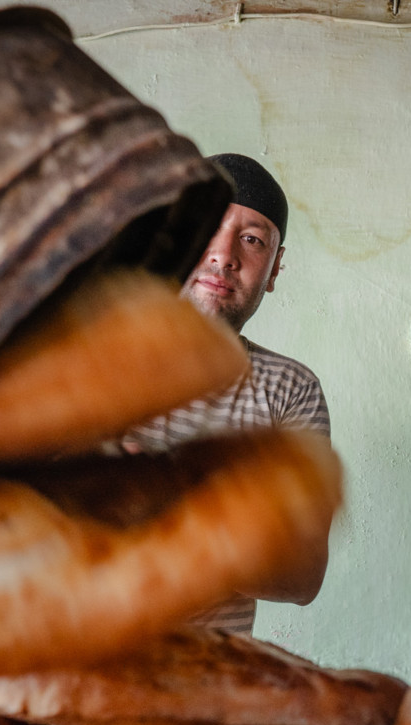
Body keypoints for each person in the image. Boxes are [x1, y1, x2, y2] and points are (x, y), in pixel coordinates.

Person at [123, 154, 331, 635]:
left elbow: (302, 575)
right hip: (58, 686)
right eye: (209, 227)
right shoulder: (76, 362)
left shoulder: (290, 390)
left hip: (207, 692)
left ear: (274, 270)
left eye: (252, 239)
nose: (224, 254)